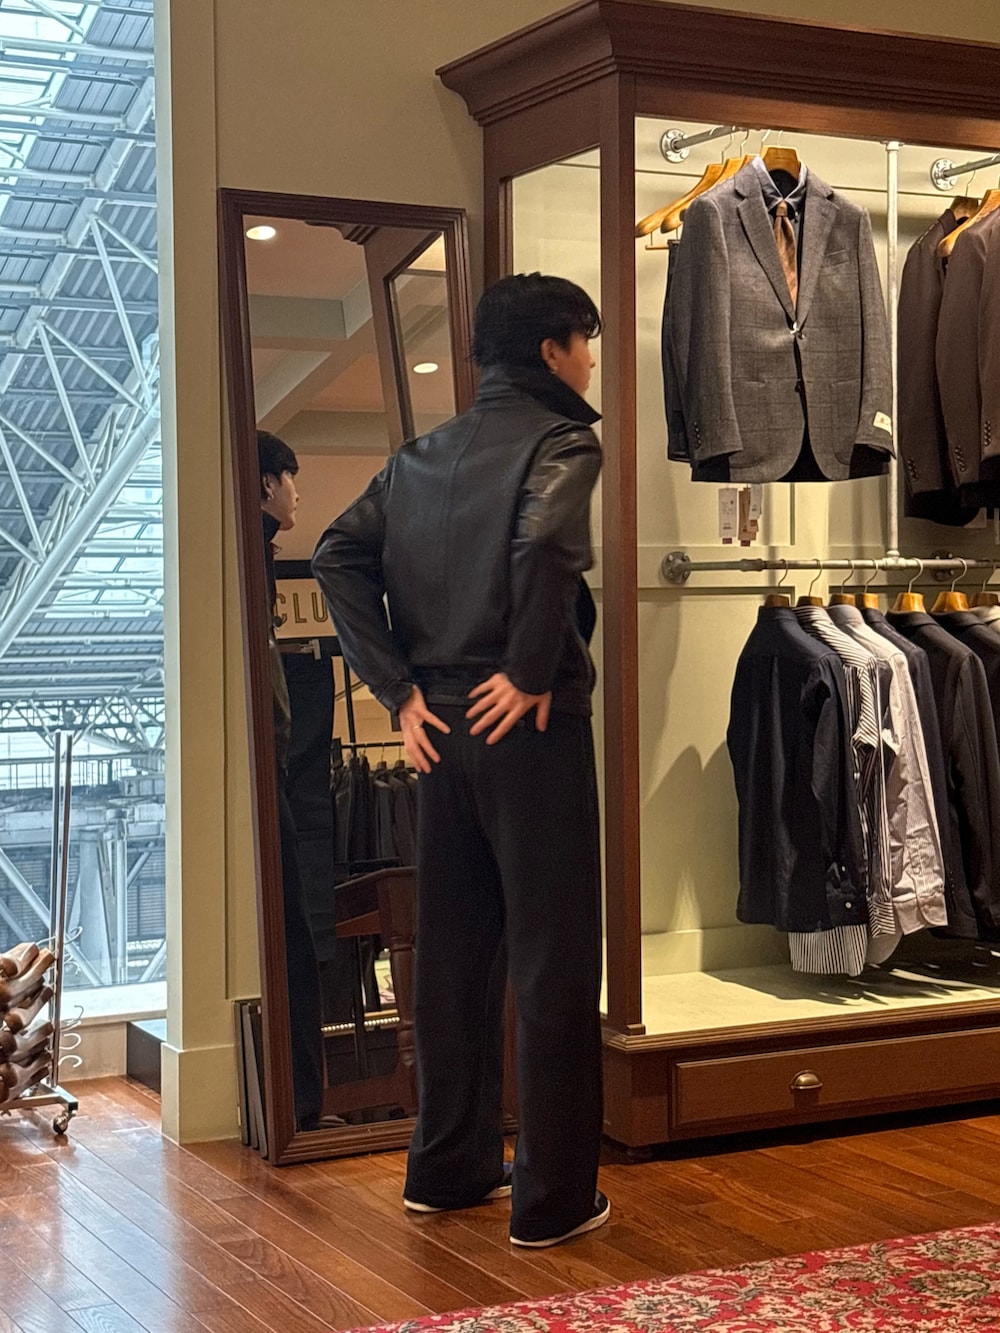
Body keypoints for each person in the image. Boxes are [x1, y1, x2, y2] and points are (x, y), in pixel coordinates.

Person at [312, 273, 608, 1247]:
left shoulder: (417, 458)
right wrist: (529, 667)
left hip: (436, 725)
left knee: (452, 952)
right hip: (526, 723)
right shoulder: (563, 440)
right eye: (587, 342)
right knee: (554, 958)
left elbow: (335, 553)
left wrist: (397, 688)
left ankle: (447, 1171)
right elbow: (547, 543)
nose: (592, 361)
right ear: (553, 349)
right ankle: (554, 1201)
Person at [258, 430, 327, 1133]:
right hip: (266, 769)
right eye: (290, 477)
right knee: (292, 938)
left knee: (292, 934)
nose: (296, 492)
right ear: (265, 485)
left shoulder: (256, 557)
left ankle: (299, 1103)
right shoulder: (251, 559)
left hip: (269, 766)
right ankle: (300, 1106)